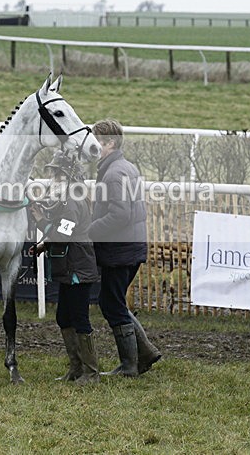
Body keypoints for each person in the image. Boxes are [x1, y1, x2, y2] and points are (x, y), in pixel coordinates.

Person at [88, 119, 161, 377]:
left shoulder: (114, 172)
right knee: (112, 301)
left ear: (110, 143)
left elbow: (119, 215)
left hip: (120, 250)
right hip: (128, 246)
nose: (92, 144)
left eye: (96, 139)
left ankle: (130, 364)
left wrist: (90, 230)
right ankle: (145, 353)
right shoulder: (125, 167)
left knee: (112, 303)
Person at [31, 151, 100, 385]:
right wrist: (43, 246)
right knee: (63, 317)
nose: (53, 178)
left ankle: (91, 372)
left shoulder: (71, 201)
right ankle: (76, 368)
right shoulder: (67, 199)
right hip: (71, 268)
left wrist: (40, 221)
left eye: (57, 173)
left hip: (77, 269)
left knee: (80, 319)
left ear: (67, 176)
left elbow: (63, 234)